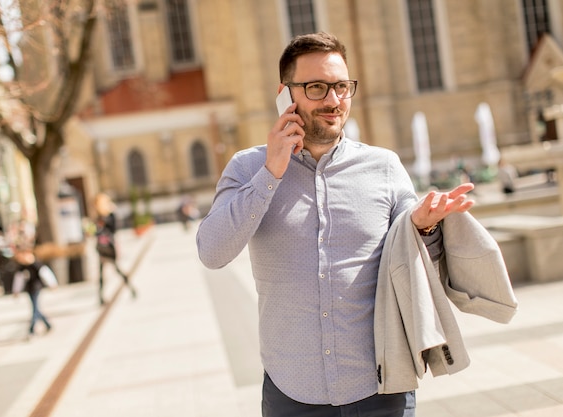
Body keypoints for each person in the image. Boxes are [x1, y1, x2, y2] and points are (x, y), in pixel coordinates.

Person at [196, 32, 475, 416]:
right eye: (316, 87)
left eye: (341, 87)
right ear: (285, 94)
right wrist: (271, 172)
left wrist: (424, 230)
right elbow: (211, 252)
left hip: (382, 388)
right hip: (291, 394)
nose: (333, 100)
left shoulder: (385, 167)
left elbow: (420, 266)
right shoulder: (247, 168)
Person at [94, 192, 137, 305]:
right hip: (101, 248)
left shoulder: (110, 215)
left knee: (117, 270)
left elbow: (113, 229)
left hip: (109, 247)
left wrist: (102, 225)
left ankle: (131, 288)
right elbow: (97, 232)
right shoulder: (100, 215)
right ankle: (101, 297)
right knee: (102, 274)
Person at [13, 246, 55, 337]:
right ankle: (47, 324)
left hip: (36, 288)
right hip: (29, 289)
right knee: (36, 308)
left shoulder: (36, 264)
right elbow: (18, 279)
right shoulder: (22, 267)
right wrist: (16, 290)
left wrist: (52, 284)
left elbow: (45, 274)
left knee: (34, 308)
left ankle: (31, 329)